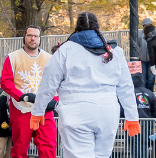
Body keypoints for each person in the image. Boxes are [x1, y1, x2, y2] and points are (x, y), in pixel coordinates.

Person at [30, 12, 139, 158]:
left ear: (77, 27)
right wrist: (132, 115)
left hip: (75, 109)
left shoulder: (65, 50)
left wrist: (38, 110)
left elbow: (48, 84)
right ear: (97, 26)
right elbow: (126, 86)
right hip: (108, 110)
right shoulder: (115, 51)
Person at [1, 25, 56, 158]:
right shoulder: (12, 57)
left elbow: (56, 81)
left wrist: (55, 100)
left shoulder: (49, 58)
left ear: (40, 39)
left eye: (36, 36)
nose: (32, 38)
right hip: (22, 109)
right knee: (19, 149)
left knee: (48, 148)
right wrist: (22, 96)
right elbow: (5, 81)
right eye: (29, 35)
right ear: (24, 37)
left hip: (44, 110)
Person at [0, 88, 12, 158]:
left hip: (9, 128)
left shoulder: (12, 100)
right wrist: (3, 123)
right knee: (1, 149)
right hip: (2, 129)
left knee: (9, 150)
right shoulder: (0, 100)